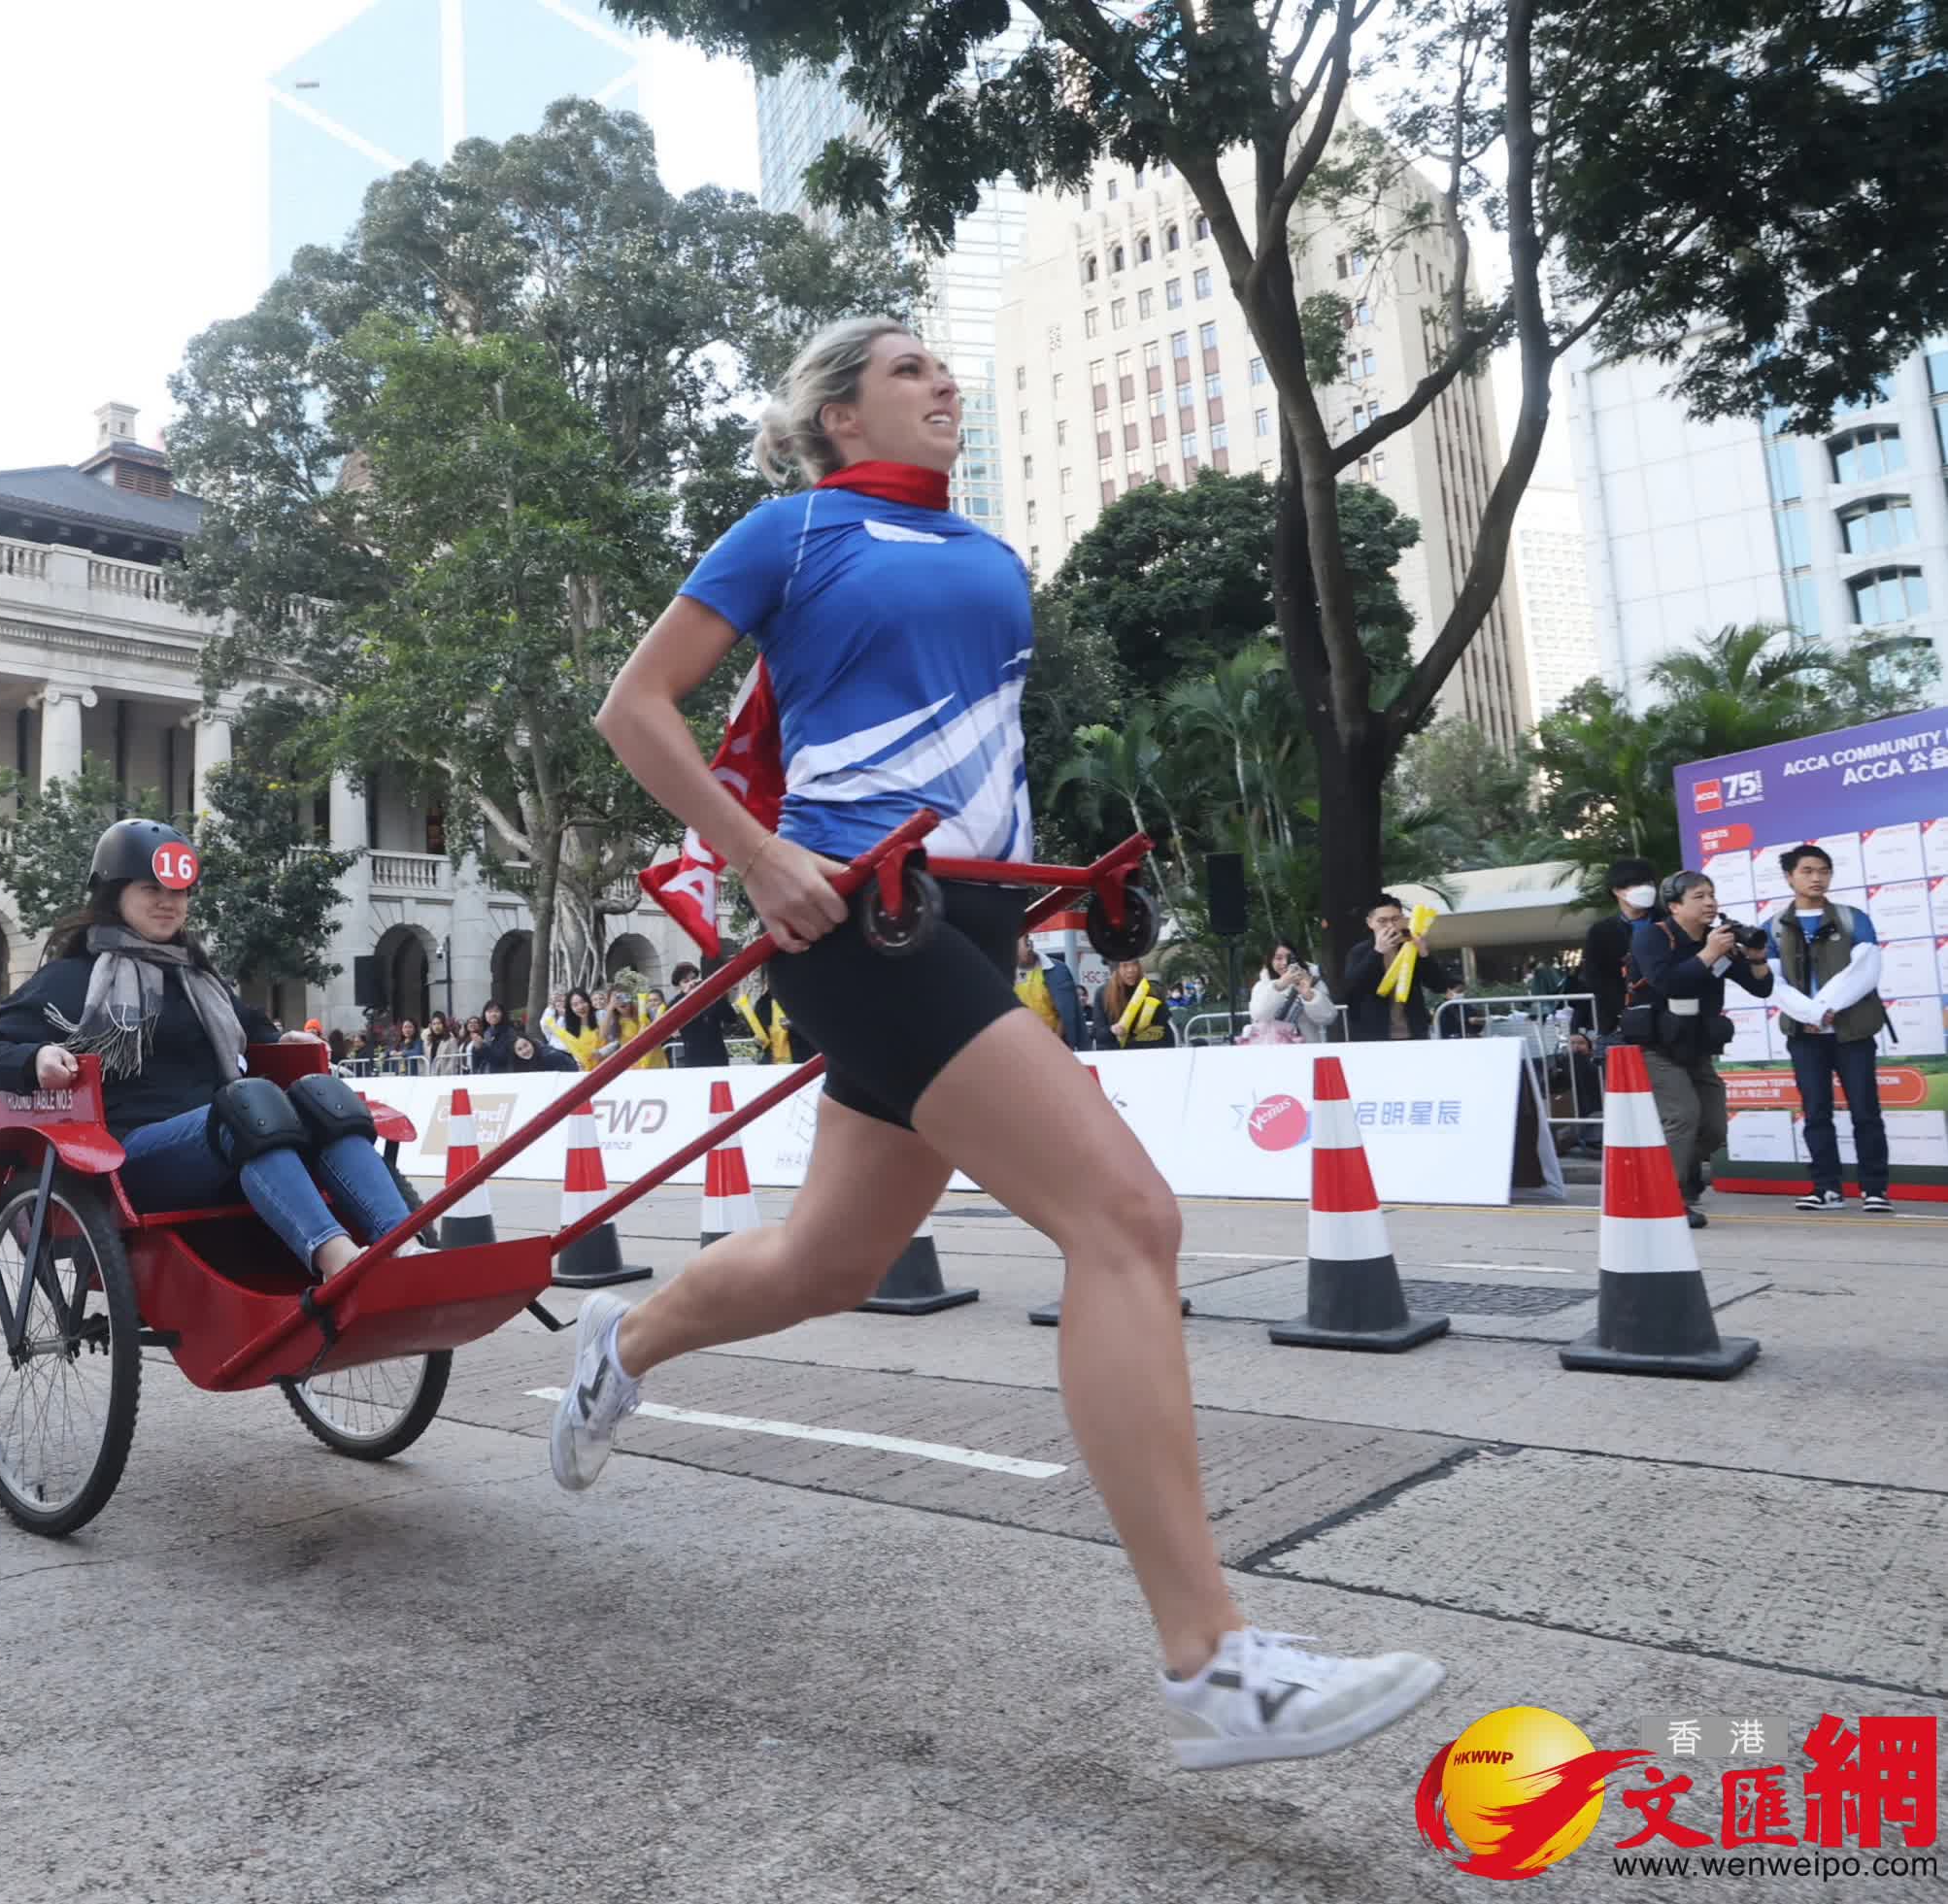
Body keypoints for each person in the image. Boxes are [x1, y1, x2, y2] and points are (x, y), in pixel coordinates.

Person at [565, 313, 1438, 1768]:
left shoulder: (989, 555)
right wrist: (756, 853)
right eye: (909, 369)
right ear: (843, 415)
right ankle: (1212, 1663)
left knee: (830, 1260)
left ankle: (623, 1338)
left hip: (966, 919)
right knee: (1126, 1217)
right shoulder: (788, 532)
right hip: (851, 913)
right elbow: (633, 709)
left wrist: (1055, 890)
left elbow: (973, 752)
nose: (943, 382)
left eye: (946, 368)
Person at [0, 818, 417, 1279]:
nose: (168, 903)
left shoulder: (197, 977)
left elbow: (251, 1031)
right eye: (151, 889)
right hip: (130, 1157)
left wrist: (281, 1042)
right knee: (248, 1107)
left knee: (323, 1097)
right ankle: (335, 1260)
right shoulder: (70, 979)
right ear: (114, 893)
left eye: (179, 892)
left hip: (231, 1136)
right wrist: (33, 1057)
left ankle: (403, 1244)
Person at [1624, 870, 1772, 1228]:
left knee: (1714, 1127)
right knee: (1682, 1116)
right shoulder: (1651, 937)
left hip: (1696, 1046)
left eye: (1712, 895)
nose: (1710, 902)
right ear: (1674, 906)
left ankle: (1682, 1179)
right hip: (1655, 1045)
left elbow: (1761, 990)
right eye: (1699, 897)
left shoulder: (1717, 941)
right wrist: (1708, 954)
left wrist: (1755, 958)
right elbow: (1667, 982)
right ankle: (1666, 1199)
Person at [1763, 844, 1891, 1214]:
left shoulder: (1852, 918)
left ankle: (1875, 1190)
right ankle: (1826, 1189)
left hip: (1852, 1031)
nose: (1816, 878)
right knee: (1816, 1112)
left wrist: (1826, 1007)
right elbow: (1771, 982)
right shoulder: (1772, 926)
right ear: (1789, 877)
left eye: (1823, 870)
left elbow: (1865, 969)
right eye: (1807, 871)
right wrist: (1812, 1014)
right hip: (1805, 1036)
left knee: (1865, 1111)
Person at [1578, 858, 1658, 1048]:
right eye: (1637, 884)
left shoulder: (1670, 922)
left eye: (1648, 883)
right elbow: (1594, 980)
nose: (1645, 889)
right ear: (1617, 890)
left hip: (1668, 1019)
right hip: (1621, 1024)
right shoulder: (1601, 932)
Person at [1342, 893, 1443, 1042]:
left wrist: (1424, 954)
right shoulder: (1360, 951)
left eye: (1395, 919)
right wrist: (1377, 952)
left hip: (1414, 1033)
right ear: (1370, 923)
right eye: (1382, 921)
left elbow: (1438, 985)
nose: (1390, 925)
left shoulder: (1412, 946)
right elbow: (1351, 989)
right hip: (1374, 1035)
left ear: (1403, 919)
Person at [1248, 940, 1338, 1044]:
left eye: (1289, 958)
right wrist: (1279, 986)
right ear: (1270, 961)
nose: (1285, 963)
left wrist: (1309, 995)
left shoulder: (1312, 981)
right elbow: (1259, 1015)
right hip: (1273, 1049)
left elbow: (1328, 1018)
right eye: (1278, 958)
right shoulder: (1262, 985)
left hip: (1306, 1048)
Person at [666, 961, 749, 1068]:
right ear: (679, 986)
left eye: (694, 978)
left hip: (717, 1056)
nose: (691, 983)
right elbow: (670, 1020)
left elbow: (731, 1018)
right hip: (694, 1058)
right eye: (685, 981)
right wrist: (685, 995)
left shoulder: (710, 997)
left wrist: (713, 994)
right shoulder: (678, 1002)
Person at [1097, 959, 1172, 1049]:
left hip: (1150, 1049)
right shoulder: (1103, 993)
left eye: (1135, 964)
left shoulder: (1153, 990)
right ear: (1115, 970)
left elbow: (1165, 1028)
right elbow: (1098, 1033)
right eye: (1125, 965)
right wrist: (1112, 1030)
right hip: (1117, 1053)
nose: (1131, 970)